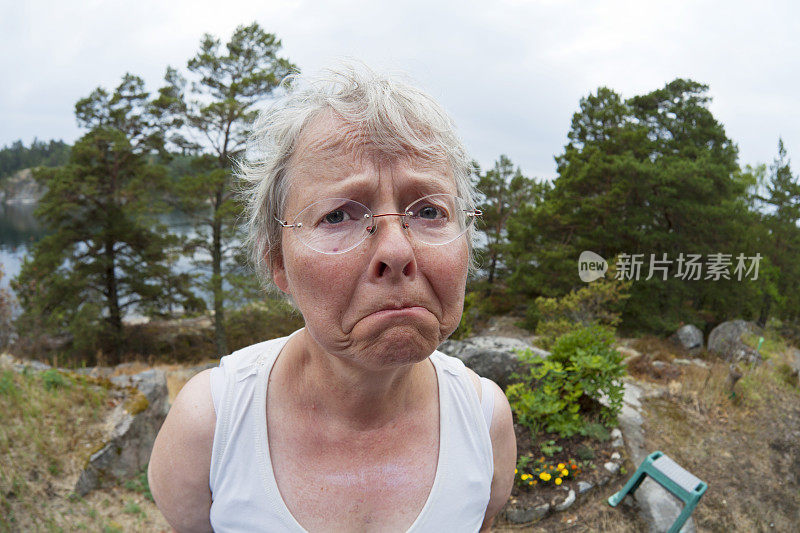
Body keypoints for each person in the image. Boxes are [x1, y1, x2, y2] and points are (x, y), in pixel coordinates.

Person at [148, 62, 516, 532]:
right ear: (278, 261)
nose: (398, 251)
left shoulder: (484, 421)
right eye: (339, 215)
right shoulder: (212, 427)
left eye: (429, 210)